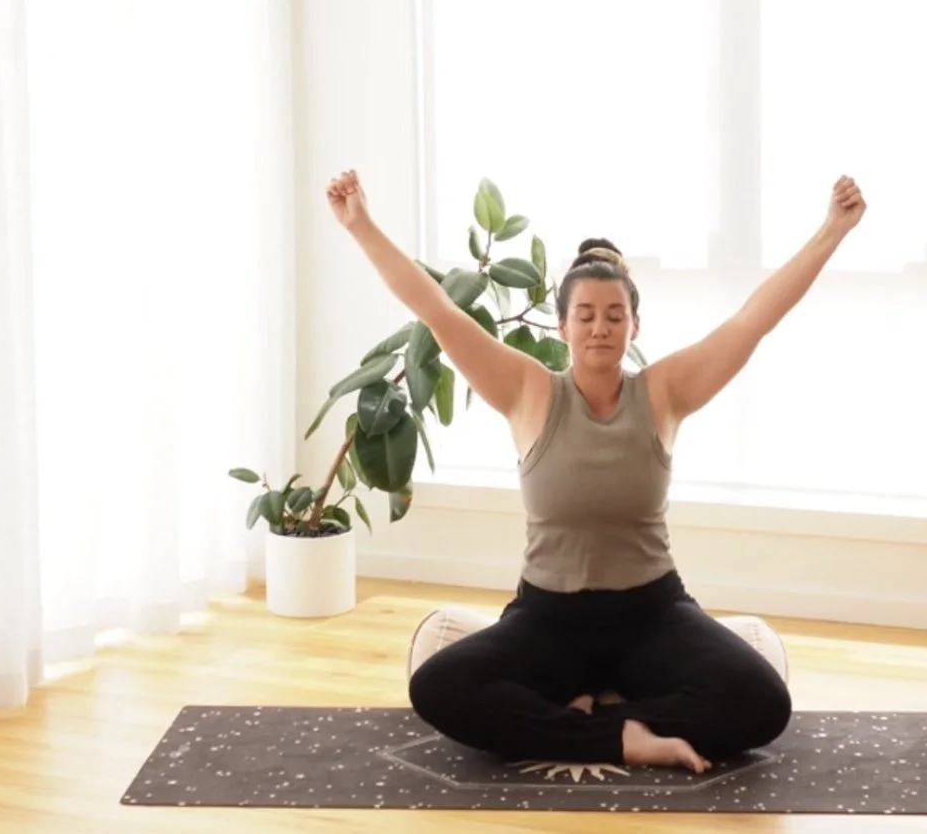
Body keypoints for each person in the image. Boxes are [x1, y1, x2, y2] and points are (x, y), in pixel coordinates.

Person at [324, 169, 868, 773]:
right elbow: (437, 309)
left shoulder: (663, 392)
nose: (600, 328)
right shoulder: (528, 391)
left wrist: (831, 230)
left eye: (614, 314)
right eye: (585, 315)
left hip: (652, 615)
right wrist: (360, 225)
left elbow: (752, 320)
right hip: (548, 619)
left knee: (762, 702)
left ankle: (585, 719)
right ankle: (626, 736)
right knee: (438, 687)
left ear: (635, 325)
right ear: (562, 327)